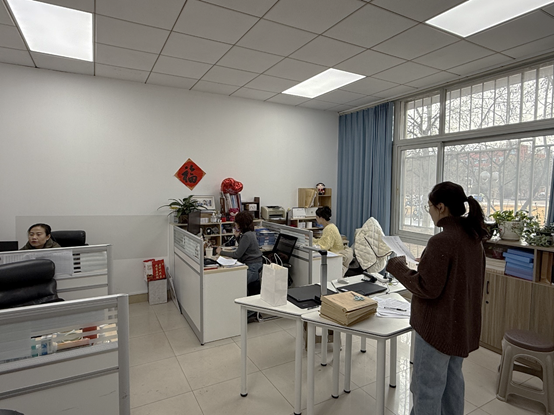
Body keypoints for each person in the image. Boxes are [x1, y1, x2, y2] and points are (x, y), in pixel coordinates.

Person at [385, 181, 488, 415]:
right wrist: (428, 264)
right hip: (460, 325)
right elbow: (459, 278)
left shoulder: (442, 241)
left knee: (427, 388)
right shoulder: (473, 237)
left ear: (441, 207)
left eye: (429, 206)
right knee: (453, 384)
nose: (429, 211)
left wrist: (397, 266)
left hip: (437, 328)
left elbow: (426, 288)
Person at [217, 211, 263, 288]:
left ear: (241, 224)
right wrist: (237, 237)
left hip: (252, 267)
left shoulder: (246, 236)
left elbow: (237, 255)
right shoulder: (250, 233)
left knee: (236, 284)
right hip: (254, 264)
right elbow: (244, 246)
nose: (235, 224)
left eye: (236, 222)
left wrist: (220, 252)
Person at [312, 206, 353, 275]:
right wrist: (310, 239)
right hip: (335, 255)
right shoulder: (330, 226)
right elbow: (321, 241)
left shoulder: (329, 229)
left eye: (316, 217)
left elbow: (323, 246)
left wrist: (311, 244)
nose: (316, 219)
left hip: (335, 257)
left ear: (321, 218)